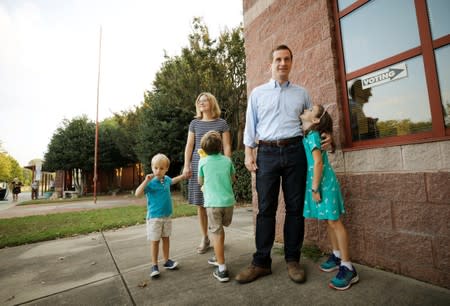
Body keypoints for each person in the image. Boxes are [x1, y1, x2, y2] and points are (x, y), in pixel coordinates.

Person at [237, 44, 332, 284]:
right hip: (267, 153)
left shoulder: (302, 93)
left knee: (294, 208)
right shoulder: (257, 94)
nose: (282, 63)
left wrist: (328, 135)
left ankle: (293, 260)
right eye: (278, 59)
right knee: (265, 209)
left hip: (295, 152)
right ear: (271, 64)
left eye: (287, 59)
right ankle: (261, 262)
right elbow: (250, 126)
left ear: (291, 62)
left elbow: (315, 120)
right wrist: (249, 154)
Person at [300, 104, 359, 290]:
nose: (306, 109)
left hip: (324, 184)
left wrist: (315, 188)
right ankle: (336, 255)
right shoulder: (310, 135)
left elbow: (318, 163)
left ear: (315, 120)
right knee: (328, 220)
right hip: (320, 183)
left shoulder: (313, 136)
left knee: (335, 222)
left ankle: (348, 266)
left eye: (310, 110)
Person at [182, 92, 232, 254]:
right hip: (199, 166)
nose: (202, 103)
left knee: (217, 203)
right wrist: (186, 165)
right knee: (201, 204)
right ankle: (205, 237)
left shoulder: (222, 123)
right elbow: (190, 145)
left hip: (217, 168)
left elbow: (227, 146)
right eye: (199, 101)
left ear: (212, 103)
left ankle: (217, 235)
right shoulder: (194, 123)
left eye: (205, 100)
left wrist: (228, 164)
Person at [135, 153, 185, 279]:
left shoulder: (166, 179)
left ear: (166, 169)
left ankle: (167, 261)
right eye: (155, 167)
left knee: (166, 238)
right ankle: (154, 265)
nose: (158, 170)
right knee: (155, 241)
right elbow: (137, 194)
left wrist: (183, 176)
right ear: (152, 167)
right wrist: (146, 181)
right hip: (154, 218)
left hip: (167, 216)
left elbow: (173, 181)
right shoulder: (150, 183)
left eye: (161, 168)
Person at [198, 131, 236, 282]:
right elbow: (233, 179)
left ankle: (222, 269)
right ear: (220, 146)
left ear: (204, 149)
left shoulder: (203, 162)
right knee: (220, 230)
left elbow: (200, 182)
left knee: (216, 233)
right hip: (228, 203)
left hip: (213, 204)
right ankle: (217, 256)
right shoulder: (227, 161)